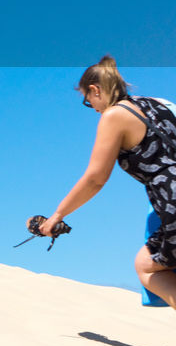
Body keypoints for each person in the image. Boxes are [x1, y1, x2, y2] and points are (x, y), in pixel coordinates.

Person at [37, 55, 176, 309]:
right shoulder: (158, 105)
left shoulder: (115, 116)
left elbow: (95, 179)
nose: (93, 108)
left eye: (87, 101)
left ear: (95, 90)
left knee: (147, 266)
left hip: (173, 202)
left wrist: (57, 215)